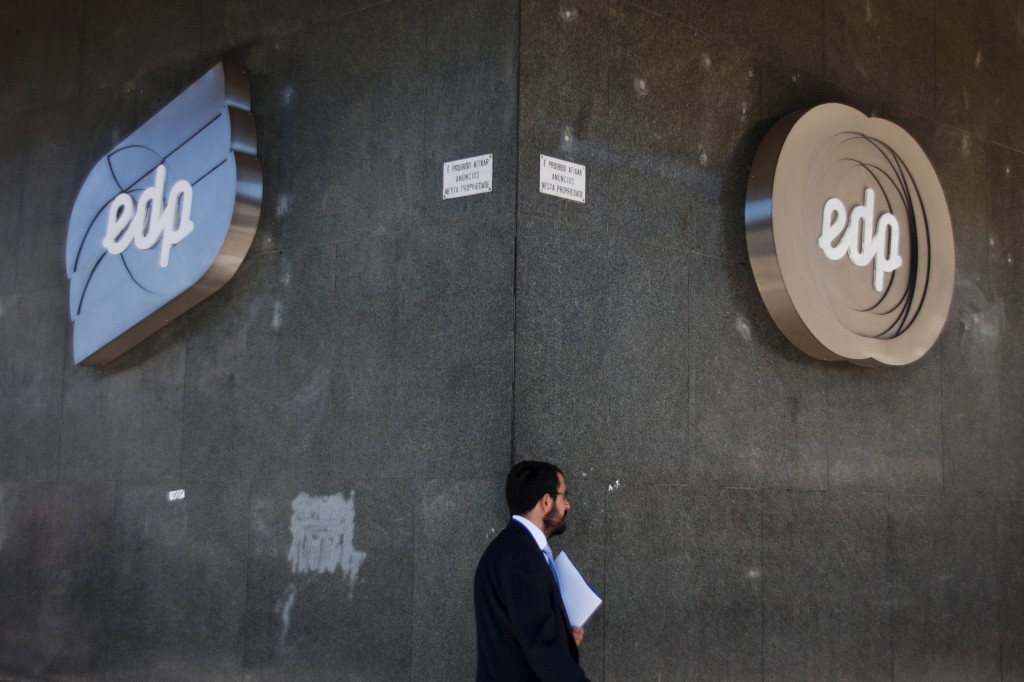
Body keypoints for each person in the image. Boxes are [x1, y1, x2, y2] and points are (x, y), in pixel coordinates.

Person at [473, 460, 591, 682]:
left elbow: (520, 632)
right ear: (546, 501)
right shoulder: (522, 558)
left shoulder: (508, 549)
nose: (567, 505)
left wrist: (563, 638)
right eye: (564, 496)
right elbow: (541, 645)